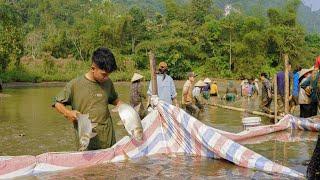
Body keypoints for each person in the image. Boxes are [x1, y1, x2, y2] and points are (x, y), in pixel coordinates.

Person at [52, 47, 122, 150]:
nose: (106, 77)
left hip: (109, 143)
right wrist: (68, 113)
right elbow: (56, 103)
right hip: (86, 144)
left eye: (109, 74)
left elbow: (116, 101)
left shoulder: (108, 83)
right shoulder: (75, 85)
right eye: (104, 74)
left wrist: (129, 113)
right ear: (93, 68)